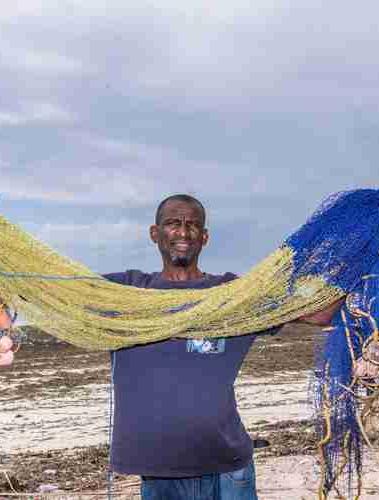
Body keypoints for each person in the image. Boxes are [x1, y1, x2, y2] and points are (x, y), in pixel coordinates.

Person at [103, 194, 342, 500]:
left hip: (227, 468)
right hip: (159, 472)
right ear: (155, 233)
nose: (183, 232)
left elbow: (320, 312)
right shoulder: (126, 292)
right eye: (173, 223)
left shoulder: (235, 295)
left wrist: (366, 266)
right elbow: (54, 294)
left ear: (204, 237)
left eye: (193, 225)